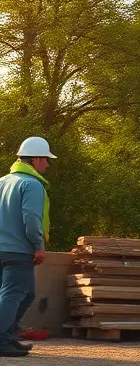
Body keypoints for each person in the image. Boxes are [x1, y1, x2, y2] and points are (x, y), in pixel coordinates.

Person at [0, 137, 56, 359]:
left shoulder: (3, 181)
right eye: (46, 160)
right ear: (35, 159)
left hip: (2, 248)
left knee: (26, 293)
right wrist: (38, 245)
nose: (48, 165)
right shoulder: (31, 184)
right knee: (13, 294)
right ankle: (2, 340)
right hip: (18, 249)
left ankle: (8, 335)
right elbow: (31, 218)